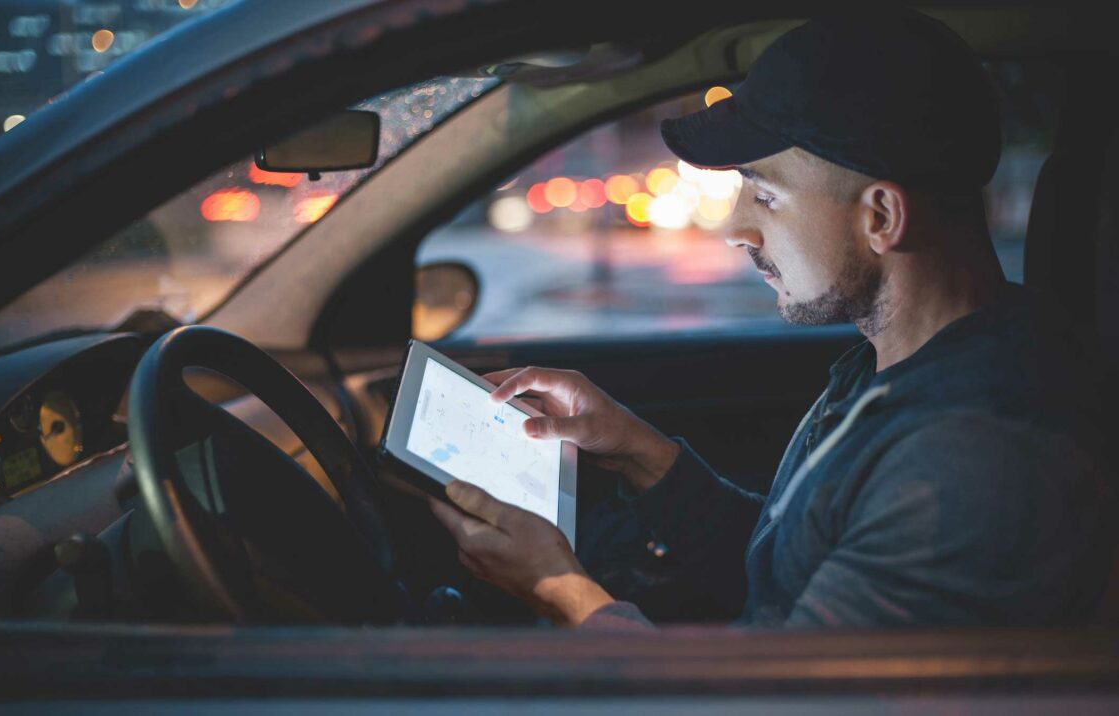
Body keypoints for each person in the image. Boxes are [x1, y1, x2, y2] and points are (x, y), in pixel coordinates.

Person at [429, 9, 1115, 628]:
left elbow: (779, 696)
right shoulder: (909, 363)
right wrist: (636, 448)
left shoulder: (969, 463)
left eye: (764, 193)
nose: (738, 230)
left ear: (880, 216)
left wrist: (561, 592)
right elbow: (789, 574)